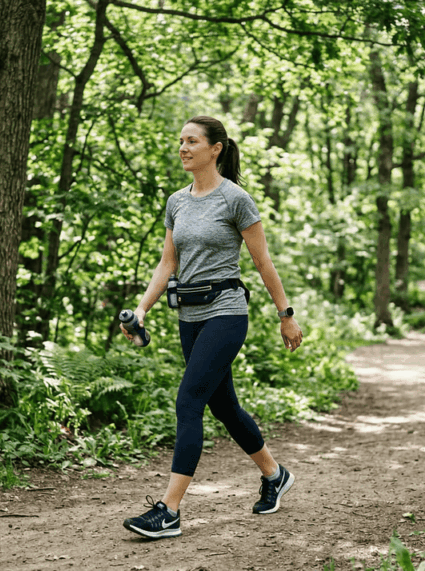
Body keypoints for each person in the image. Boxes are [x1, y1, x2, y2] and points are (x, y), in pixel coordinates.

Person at [120, 116, 303, 540]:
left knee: (189, 401)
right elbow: (169, 263)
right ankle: (274, 475)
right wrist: (142, 309)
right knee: (223, 406)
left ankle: (169, 511)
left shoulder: (236, 199)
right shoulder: (176, 202)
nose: (183, 148)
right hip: (189, 315)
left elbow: (262, 261)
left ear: (215, 148)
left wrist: (285, 313)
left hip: (226, 310)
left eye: (192, 141)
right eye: (180, 141)